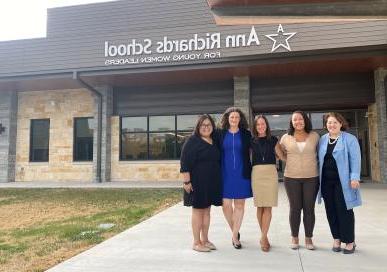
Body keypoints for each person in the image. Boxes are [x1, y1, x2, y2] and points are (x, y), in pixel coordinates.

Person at [317, 112, 362, 254]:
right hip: (326, 182)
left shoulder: (350, 139)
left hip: (343, 183)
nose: (332, 125)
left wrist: (355, 177)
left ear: (341, 124)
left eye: (335, 122)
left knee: (345, 210)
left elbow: (356, 159)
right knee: (331, 210)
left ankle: (349, 241)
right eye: (329, 122)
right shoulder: (323, 139)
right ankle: (336, 238)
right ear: (326, 125)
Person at [180, 114, 222, 252]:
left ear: (212, 127)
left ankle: (205, 239)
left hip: (211, 182)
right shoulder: (192, 141)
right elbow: (184, 163)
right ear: (198, 127)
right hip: (197, 182)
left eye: (208, 125)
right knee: (198, 211)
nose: (206, 127)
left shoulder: (214, 140)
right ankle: (196, 242)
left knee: (207, 211)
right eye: (203, 125)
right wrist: (186, 182)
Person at [279, 111, 320, 250]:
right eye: (295, 120)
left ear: (305, 120)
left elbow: (321, 154)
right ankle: (294, 237)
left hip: (311, 178)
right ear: (291, 122)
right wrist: (288, 159)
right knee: (295, 208)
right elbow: (279, 152)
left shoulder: (315, 136)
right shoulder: (286, 137)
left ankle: (309, 238)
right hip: (291, 178)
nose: (298, 122)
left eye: (300, 119)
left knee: (309, 209)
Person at [217, 107, 252, 249]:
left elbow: (254, 149)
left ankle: (234, 236)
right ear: (227, 118)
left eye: (237, 117)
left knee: (239, 205)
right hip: (224, 173)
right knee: (226, 205)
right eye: (232, 117)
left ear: (240, 119)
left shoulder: (246, 134)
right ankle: (235, 231)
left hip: (242, 173)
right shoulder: (220, 134)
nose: (234, 119)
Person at [251, 115, 284, 252]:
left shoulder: (274, 140)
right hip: (257, 173)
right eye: (258, 124)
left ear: (266, 125)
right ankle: (264, 237)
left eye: (262, 124)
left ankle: (263, 237)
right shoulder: (251, 141)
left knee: (268, 207)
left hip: (270, 173)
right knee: (260, 207)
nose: (260, 126)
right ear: (255, 127)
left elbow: (282, 156)